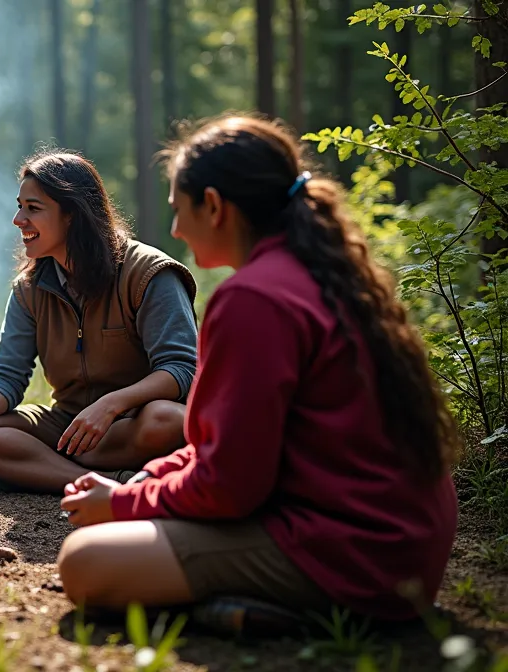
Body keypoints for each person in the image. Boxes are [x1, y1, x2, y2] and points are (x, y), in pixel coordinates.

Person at [56, 115, 460, 627]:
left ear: (216, 207)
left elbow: (229, 486)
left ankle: (300, 615)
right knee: (131, 510)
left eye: (179, 210)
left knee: (86, 562)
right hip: (403, 541)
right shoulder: (325, 272)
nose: (176, 229)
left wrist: (125, 503)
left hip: (357, 553)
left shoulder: (253, 300)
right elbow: (228, 448)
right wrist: (145, 481)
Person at [0, 150, 199, 494]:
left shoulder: (149, 274)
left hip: (130, 425)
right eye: (19, 206)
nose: (18, 219)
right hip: (68, 428)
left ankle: (33, 471)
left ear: (73, 214)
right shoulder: (28, 289)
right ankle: (107, 482)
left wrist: (111, 404)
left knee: (169, 420)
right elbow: (6, 376)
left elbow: (181, 369)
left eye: (33, 208)